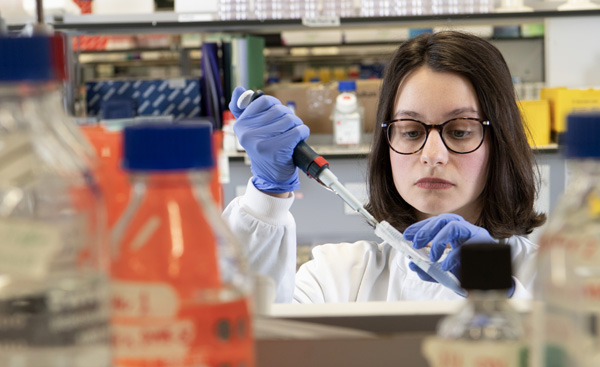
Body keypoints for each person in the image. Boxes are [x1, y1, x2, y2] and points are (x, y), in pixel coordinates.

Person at [222, 30, 546, 303]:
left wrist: (492, 281)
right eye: (411, 131)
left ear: (500, 140)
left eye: (460, 131)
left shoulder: (550, 276)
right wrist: (266, 201)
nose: (433, 154)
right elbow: (242, 334)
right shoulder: (339, 277)